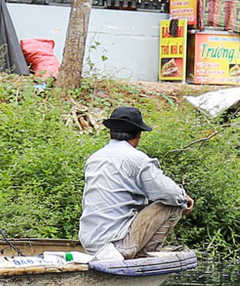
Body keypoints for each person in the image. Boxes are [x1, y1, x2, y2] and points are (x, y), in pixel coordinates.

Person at [78, 106, 191, 261]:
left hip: (90, 242)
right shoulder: (136, 159)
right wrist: (184, 197)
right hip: (118, 243)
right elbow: (168, 193)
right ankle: (142, 253)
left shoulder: (95, 158)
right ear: (138, 134)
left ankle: (134, 250)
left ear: (111, 132)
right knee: (175, 203)